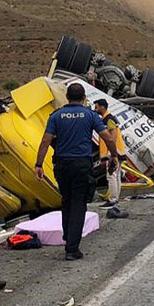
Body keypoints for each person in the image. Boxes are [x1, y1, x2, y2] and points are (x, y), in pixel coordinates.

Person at [35, 82, 120, 260]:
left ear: (67, 97)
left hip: (62, 165)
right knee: (79, 203)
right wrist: (114, 155)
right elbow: (107, 137)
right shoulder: (91, 115)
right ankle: (72, 248)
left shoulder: (56, 116)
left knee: (66, 200)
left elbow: (45, 141)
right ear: (83, 98)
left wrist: (39, 164)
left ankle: (68, 236)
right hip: (82, 164)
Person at [93, 99, 128, 207]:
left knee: (111, 175)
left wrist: (112, 153)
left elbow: (112, 137)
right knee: (116, 175)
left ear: (102, 107)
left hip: (113, 152)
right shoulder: (108, 118)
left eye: (97, 107)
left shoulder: (108, 119)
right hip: (117, 151)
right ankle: (115, 198)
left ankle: (112, 200)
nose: (95, 109)